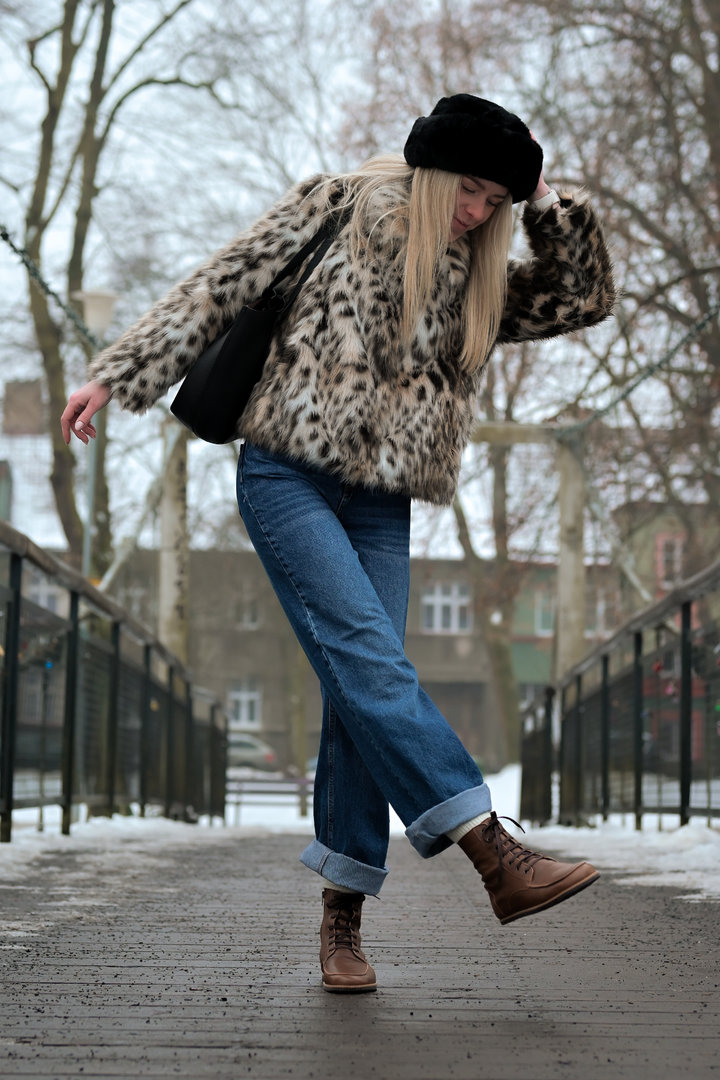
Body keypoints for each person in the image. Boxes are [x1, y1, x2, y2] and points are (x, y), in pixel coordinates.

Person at [62, 94, 616, 994]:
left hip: (384, 501)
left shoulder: (475, 276)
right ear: (433, 173)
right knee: (368, 657)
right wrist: (115, 374)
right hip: (287, 475)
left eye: (495, 202)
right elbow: (220, 286)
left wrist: (545, 200)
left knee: (363, 685)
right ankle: (492, 850)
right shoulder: (336, 206)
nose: (477, 212)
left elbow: (582, 299)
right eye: (469, 190)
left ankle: (343, 917)